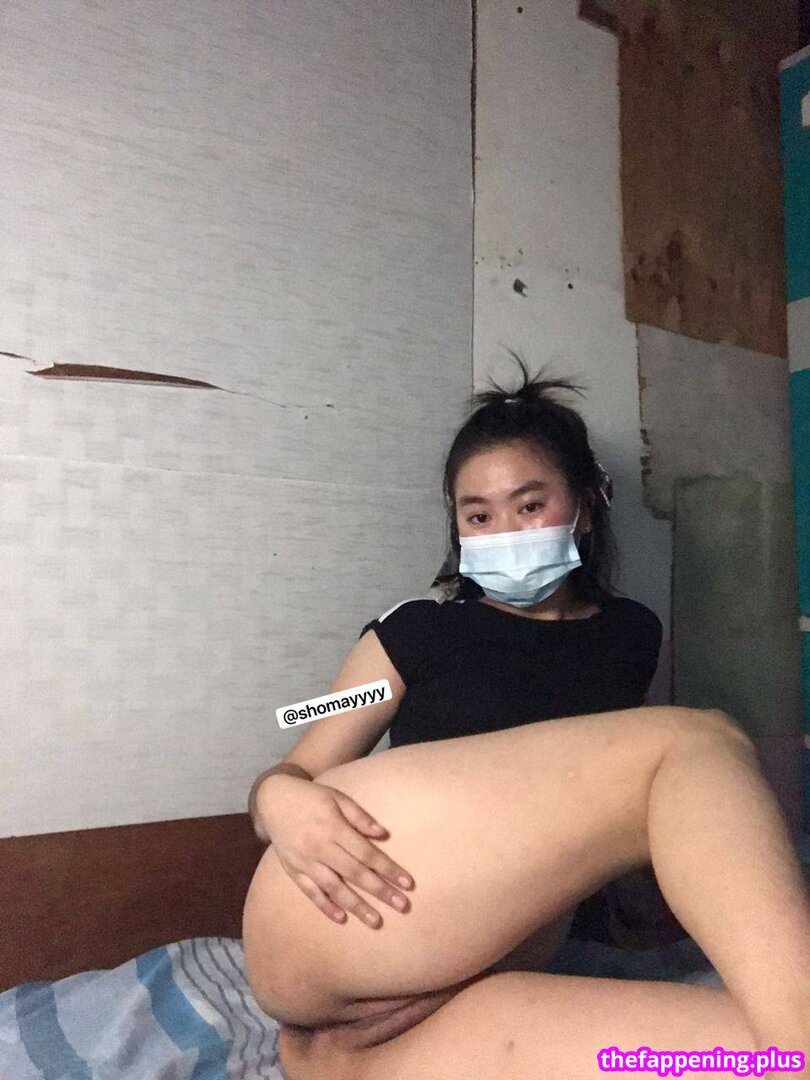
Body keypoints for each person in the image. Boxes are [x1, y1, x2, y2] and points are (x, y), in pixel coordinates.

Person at [242, 356, 810, 1080]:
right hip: (344, 921)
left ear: (586, 506)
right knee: (699, 738)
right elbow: (301, 745)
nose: (503, 530)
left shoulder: (631, 636)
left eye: (530, 505)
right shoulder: (407, 633)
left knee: (762, 1058)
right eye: (478, 516)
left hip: (406, 1024)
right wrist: (275, 795)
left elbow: (604, 802)